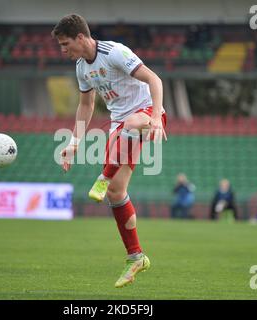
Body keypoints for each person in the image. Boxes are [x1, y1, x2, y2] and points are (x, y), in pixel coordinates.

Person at [51, 14, 167, 288]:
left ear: (81, 37)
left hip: (147, 112)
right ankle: (136, 256)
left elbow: (154, 79)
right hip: (121, 124)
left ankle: (103, 176)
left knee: (130, 125)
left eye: (66, 44)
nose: (63, 50)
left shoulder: (114, 52)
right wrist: (74, 143)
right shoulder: (82, 68)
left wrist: (154, 117)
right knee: (116, 193)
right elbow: (86, 106)